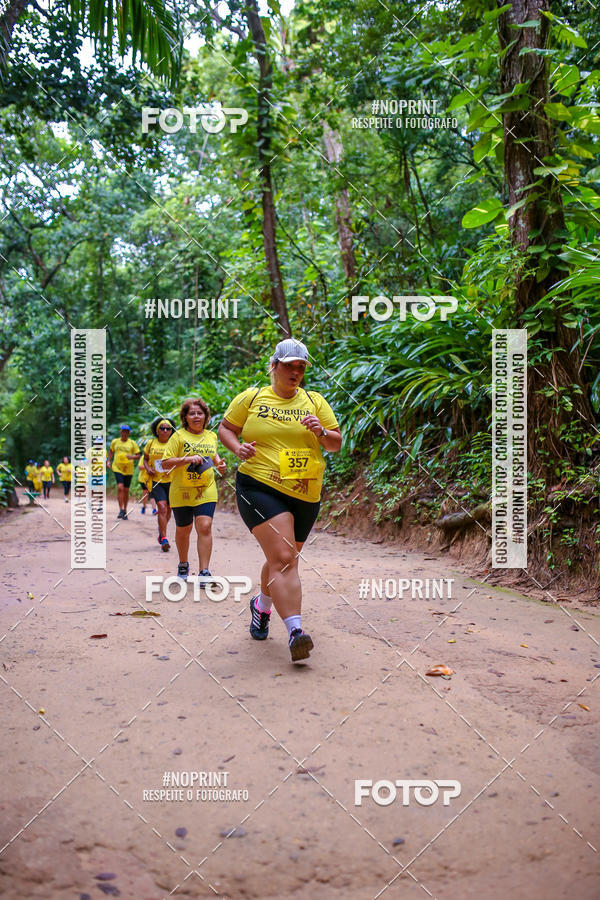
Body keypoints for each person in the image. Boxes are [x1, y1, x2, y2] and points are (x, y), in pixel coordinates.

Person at [218, 339, 342, 662]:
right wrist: (237, 448)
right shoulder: (253, 398)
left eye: (301, 367)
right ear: (274, 366)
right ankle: (296, 632)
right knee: (286, 556)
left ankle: (261, 606)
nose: (296, 372)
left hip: (305, 492)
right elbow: (226, 428)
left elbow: (336, 444)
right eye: (290, 365)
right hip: (258, 486)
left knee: (282, 559)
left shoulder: (314, 402)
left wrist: (321, 433)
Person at [159, 399, 226, 580]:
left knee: (204, 526)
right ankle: (183, 564)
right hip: (182, 490)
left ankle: (204, 571)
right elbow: (165, 463)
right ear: (185, 418)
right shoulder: (178, 437)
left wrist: (220, 465)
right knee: (184, 529)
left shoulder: (211, 436)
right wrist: (187, 459)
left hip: (206, 488)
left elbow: (213, 456)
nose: (196, 417)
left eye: (200, 413)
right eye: (192, 413)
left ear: (205, 416)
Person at [143, 416, 177, 552]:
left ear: (171, 431)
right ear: (157, 431)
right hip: (157, 481)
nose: (165, 430)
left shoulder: (175, 443)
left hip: (173, 481)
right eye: (162, 428)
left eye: (168, 428)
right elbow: (145, 459)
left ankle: (161, 530)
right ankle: (164, 538)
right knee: (162, 507)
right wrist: (147, 468)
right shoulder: (151, 443)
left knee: (169, 510)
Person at [107, 425, 140, 519]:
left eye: (127, 432)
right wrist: (108, 461)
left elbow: (138, 455)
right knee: (120, 487)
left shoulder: (132, 443)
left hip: (128, 469)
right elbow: (110, 451)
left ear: (129, 433)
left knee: (126, 490)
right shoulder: (115, 442)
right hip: (117, 467)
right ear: (120, 432)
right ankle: (121, 509)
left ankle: (125, 509)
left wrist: (132, 457)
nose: (125, 433)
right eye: (123, 431)